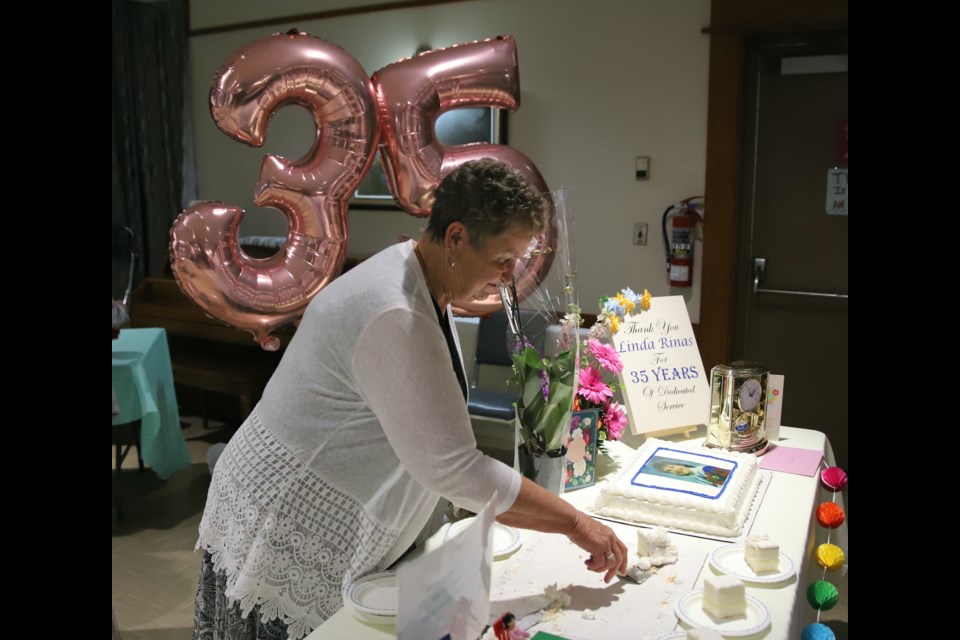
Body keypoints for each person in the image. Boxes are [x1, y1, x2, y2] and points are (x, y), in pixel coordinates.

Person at [193, 158, 629, 640]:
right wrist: (574, 523)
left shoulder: (415, 274)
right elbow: (453, 466)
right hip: (282, 514)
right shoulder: (394, 311)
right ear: (457, 237)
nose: (508, 278)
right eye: (503, 261)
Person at [652, 460, 730, 487]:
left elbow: (730, 480)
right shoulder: (698, 477)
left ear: (680, 464)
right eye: (669, 471)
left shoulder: (705, 469)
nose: (675, 470)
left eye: (672, 467)